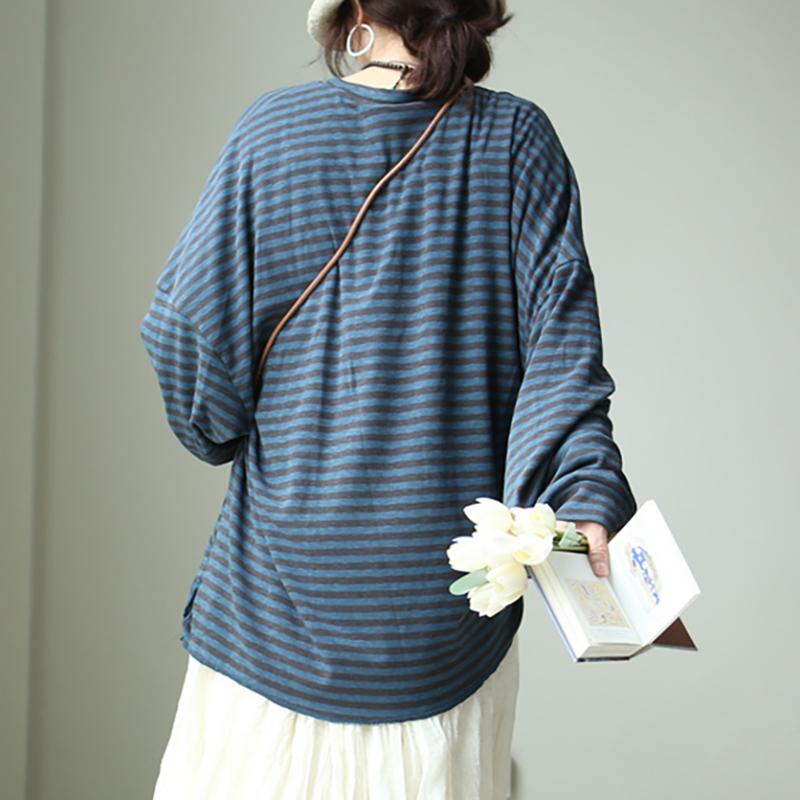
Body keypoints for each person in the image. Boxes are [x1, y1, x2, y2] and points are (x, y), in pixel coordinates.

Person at [141, 1, 637, 797]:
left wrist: (224, 420)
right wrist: (580, 490)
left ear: (357, 13)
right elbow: (562, 354)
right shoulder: (517, 140)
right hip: (443, 636)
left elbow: (188, 346)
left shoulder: (272, 133)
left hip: (267, 617)